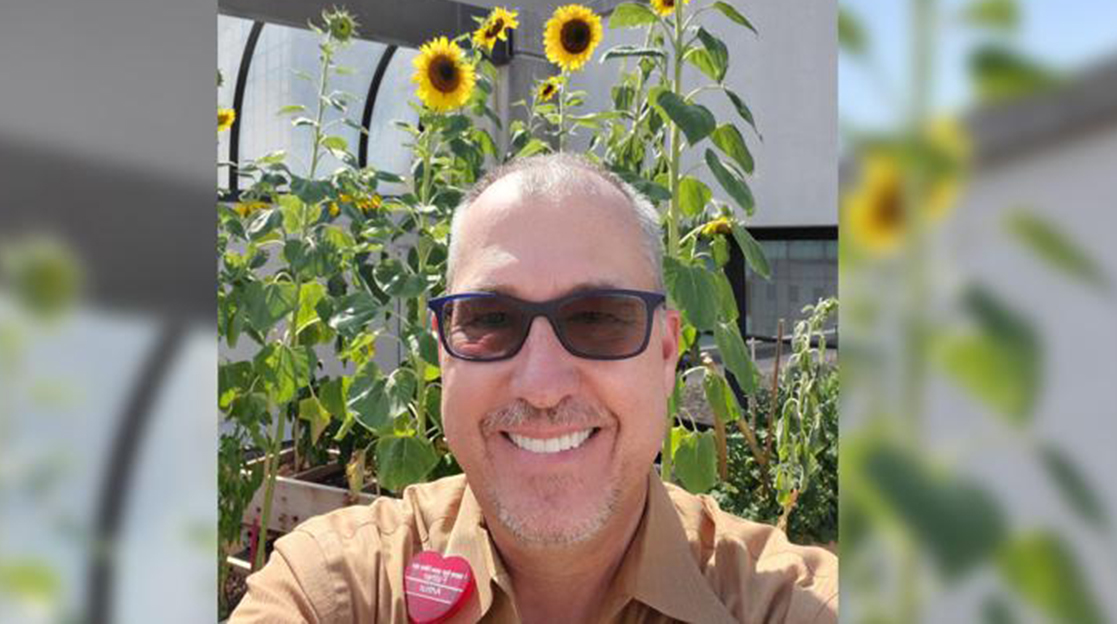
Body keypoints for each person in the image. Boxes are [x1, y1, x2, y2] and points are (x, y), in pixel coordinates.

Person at [231, 153, 837, 623]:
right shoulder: (339, 588)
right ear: (443, 351)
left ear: (664, 352)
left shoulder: (788, 604)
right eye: (491, 319)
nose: (542, 386)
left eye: (598, 318)